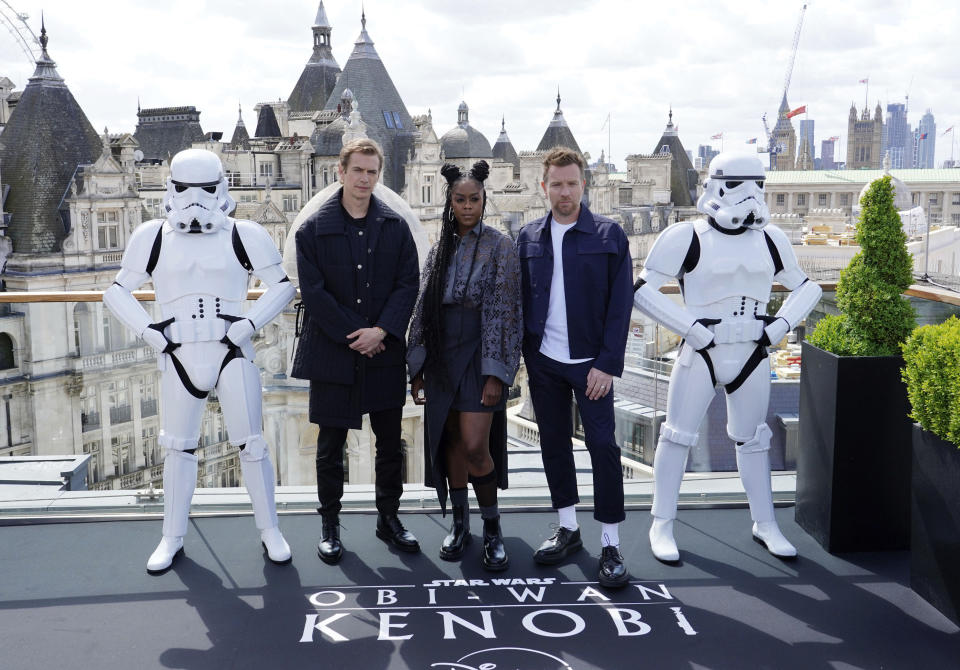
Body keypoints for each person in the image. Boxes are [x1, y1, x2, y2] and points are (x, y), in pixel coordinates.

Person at [104, 148, 295, 573]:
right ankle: (171, 536)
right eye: (185, 188)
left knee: (253, 444)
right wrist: (151, 333)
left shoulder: (243, 233)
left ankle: (270, 530)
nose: (195, 199)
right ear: (170, 188)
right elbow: (116, 291)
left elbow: (283, 287)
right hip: (179, 353)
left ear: (222, 187)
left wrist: (248, 325)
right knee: (178, 447)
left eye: (205, 188)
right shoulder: (151, 236)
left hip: (231, 351)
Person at [633, 152, 822, 562]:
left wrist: (779, 326)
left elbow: (808, 288)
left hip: (753, 349)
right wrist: (690, 329)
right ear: (716, 185)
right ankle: (662, 522)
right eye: (739, 184)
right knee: (677, 435)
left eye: (758, 184)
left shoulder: (771, 239)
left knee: (753, 439)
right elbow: (642, 289)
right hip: (703, 349)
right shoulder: (686, 236)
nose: (750, 195)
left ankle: (765, 522)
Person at [292, 138, 421, 565]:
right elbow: (314, 294)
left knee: (390, 444)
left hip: (381, 349)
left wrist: (381, 329)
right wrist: (362, 334)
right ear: (341, 173)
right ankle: (330, 526)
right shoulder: (312, 230)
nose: (365, 179)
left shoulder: (396, 227)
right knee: (330, 447)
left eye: (372, 172)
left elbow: (408, 284)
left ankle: (389, 518)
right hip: (335, 351)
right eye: (358, 171)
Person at [516, 147, 633, 588]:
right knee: (553, 445)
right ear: (543, 187)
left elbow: (621, 306)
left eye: (572, 183)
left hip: (591, 367)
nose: (564, 192)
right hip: (544, 362)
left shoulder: (609, 235)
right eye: (556, 184)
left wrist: (607, 365)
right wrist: (529, 358)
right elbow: (521, 303)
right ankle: (567, 528)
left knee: (603, 447)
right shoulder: (527, 237)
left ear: (583, 184)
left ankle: (610, 543)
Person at [407, 161, 522, 571]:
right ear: (450, 201)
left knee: (476, 445)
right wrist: (417, 365)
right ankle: (460, 524)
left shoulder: (501, 244)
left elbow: (506, 311)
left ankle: (492, 529)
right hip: (441, 354)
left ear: (484, 199)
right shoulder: (439, 247)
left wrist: (496, 372)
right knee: (450, 441)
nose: (468, 206)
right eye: (460, 199)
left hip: (479, 351)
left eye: (474, 199)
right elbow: (423, 306)